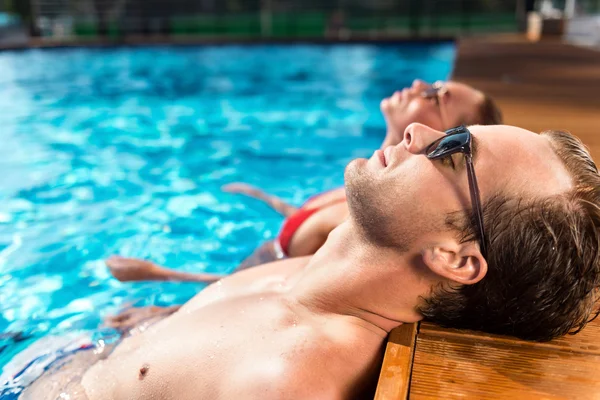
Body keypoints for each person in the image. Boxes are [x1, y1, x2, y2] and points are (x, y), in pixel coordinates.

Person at [19, 124, 600, 399]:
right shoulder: (326, 270)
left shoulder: (287, 381)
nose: (420, 132)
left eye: (453, 152)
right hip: (73, 353)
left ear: (456, 257)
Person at [106, 79, 503, 283]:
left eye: (436, 97)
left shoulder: (366, 218)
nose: (419, 86)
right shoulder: (367, 178)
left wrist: (158, 275)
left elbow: (273, 287)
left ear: (441, 138)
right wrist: (266, 198)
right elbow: (312, 221)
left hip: (239, 279)